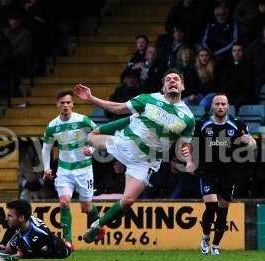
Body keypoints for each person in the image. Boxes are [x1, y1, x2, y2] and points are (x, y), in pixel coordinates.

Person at [74, 69, 195, 243]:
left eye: (176, 79)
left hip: (145, 161)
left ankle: (97, 226)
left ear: (182, 86)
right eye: (168, 79)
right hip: (125, 143)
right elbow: (117, 108)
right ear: (163, 87)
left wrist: (188, 158)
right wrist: (91, 99)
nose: (172, 81)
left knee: (129, 199)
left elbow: (184, 143)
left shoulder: (188, 118)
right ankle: (129, 122)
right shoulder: (148, 99)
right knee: (91, 137)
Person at [191, 94, 256, 255]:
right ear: (212, 106)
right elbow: (192, 144)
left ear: (228, 106)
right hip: (207, 171)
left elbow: (252, 144)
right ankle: (205, 236)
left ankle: (215, 245)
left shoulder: (238, 124)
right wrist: (190, 161)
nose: (220, 107)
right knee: (211, 204)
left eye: (223, 104)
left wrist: (249, 143)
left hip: (229, 173)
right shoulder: (202, 125)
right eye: (217, 104)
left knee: (223, 210)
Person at [41, 90, 103, 248]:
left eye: (68, 102)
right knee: (64, 202)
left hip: (84, 169)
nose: (66, 105)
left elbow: (99, 135)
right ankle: (67, 241)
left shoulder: (83, 120)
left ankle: (98, 225)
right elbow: (46, 148)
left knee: (86, 207)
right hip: (64, 170)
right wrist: (47, 167)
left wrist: (92, 149)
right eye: (62, 103)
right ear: (57, 105)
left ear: (73, 104)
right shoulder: (52, 126)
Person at [0, 200, 72, 259]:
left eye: (9, 216)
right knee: (6, 248)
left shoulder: (36, 235)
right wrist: (3, 243)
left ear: (21, 217)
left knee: (7, 250)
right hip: (39, 244)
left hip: (59, 250)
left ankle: (68, 245)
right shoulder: (25, 220)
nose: (6, 218)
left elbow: (19, 255)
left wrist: (16, 255)